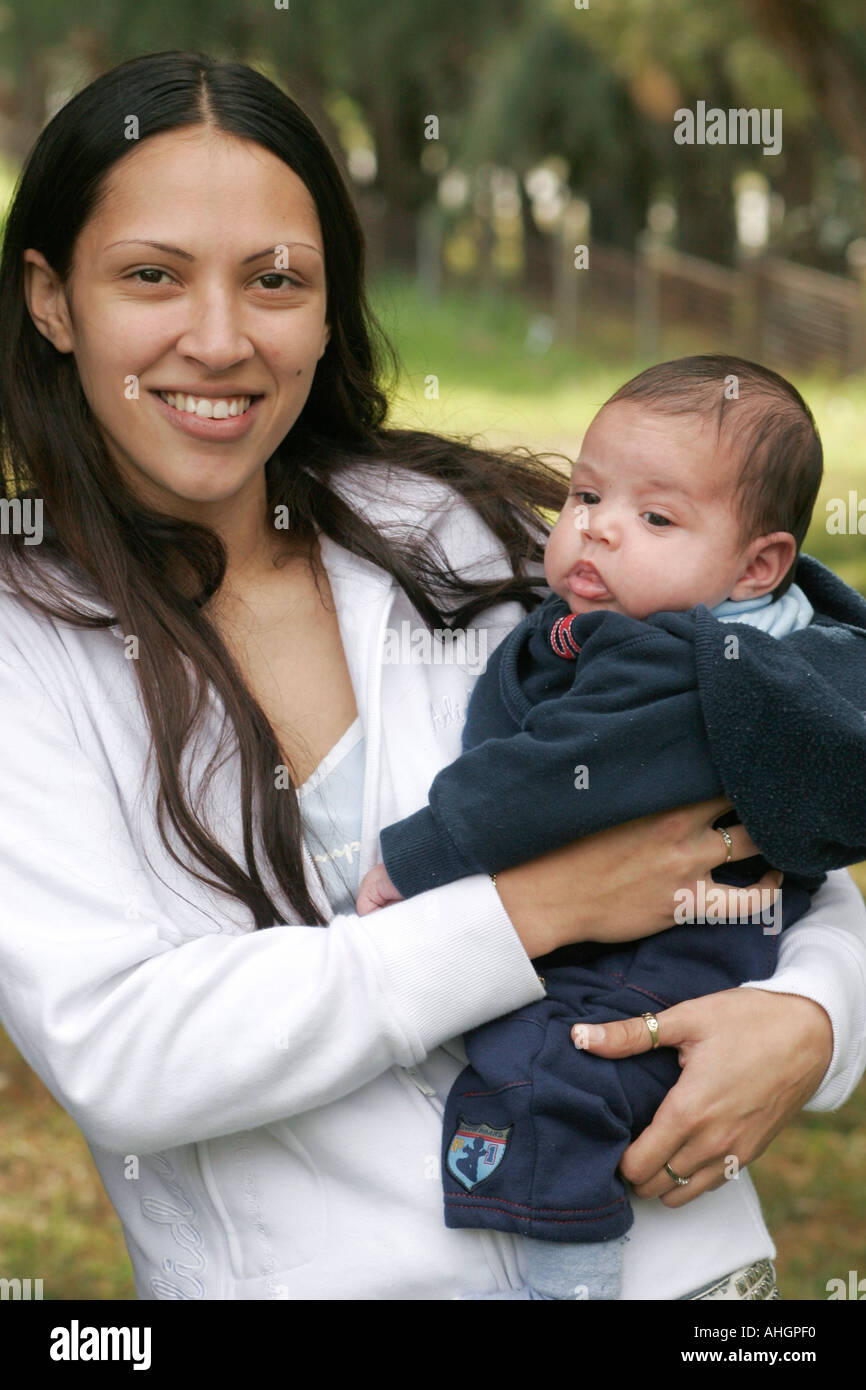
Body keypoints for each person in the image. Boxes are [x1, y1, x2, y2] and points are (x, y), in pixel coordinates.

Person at [0, 51, 864, 1302]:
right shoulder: (23, 640)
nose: (220, 338)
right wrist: (531, 910)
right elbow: (125, 1049)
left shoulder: (461, 533)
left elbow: (762, 800)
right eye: (151, 275)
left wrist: (817, 1019)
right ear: (51, 297)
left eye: (275, 280)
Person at [356, 355, 866, 1299]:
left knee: (552, 1066)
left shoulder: (669, 661)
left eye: (657, 518)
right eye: (587, 493)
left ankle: (571, 1269)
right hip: (699, 925)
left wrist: (420, 852)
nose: (597, 527)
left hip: (671, 949)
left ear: (759, 565)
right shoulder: (734, 632)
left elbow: (553, 778)